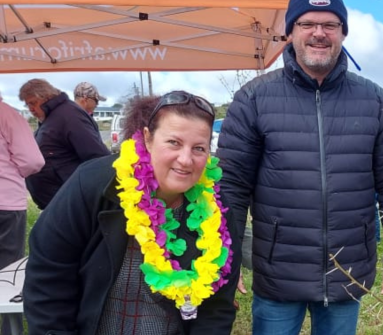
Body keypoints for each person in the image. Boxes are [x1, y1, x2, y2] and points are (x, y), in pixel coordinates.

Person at [217, 0, 383, 335]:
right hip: (278, 272)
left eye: (329, 25)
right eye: (307, 23)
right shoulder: (254, 99)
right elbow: (230, 189)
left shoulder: (375, 101)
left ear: (343, 32)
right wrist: (222, 264)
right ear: (290, 32)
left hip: (346, 269)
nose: (318, 33)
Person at [23, 91, 241, 335]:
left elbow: (217, 307)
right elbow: (49, 277)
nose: (186, 160)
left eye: (199, 148)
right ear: (148, 138)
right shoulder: (93, 184)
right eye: (174, 142)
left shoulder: (217, 211)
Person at [18, 78, 110, 209]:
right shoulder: (51, 117)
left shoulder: (69, 115)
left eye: (33, 103)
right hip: (59, 202)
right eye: (27, 105)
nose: (31, 109)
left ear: (46, 97)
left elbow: (97, 156)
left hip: (71, 202)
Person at [0, 91, 44, 335]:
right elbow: (32, 160)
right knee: (7, 273)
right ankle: (9, 329)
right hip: (5, 201)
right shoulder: (7, 115)